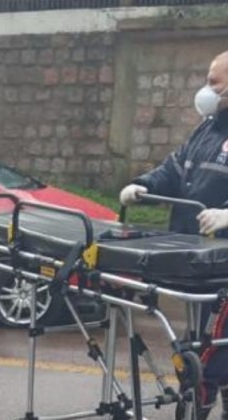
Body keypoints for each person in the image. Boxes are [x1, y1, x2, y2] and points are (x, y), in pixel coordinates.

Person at [119, 50, 228, 419]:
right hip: (196, 257)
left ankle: (199, 405)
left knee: (211, 350)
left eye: (214, 82)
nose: (206, 90)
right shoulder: (208, 127)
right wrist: (142, 184)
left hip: (224, 261)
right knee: (199, 343)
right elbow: (175, 166)